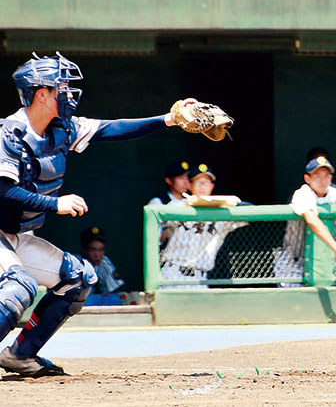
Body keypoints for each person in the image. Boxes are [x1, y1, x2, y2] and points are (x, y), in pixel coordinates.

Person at [0, 52, 196, 377]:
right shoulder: (9, 133)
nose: (68, 92)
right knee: (19, 284)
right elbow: (2, 191)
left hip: (13, 237)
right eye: (60, 87)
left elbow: (112, 129)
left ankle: (20, 355)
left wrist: (169, 119)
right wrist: (55, 203)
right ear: (41, 94)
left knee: (78, 278)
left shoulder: (60, 128)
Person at [274, 156, 336, 285]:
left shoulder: (335, 193)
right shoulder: (303, 193)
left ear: (331, 178)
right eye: (317, 175)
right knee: (294, 303)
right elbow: (311, 219)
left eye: (326, 175)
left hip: (325, 259)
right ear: (308, 179)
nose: (323, 180)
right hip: (294, 260)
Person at [159, 164, 247, 289]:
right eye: (198, 182)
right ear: (189, 185)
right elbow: (163, 213)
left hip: (200, 277)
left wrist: (231, 201)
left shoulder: (222, 212)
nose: (202, 186)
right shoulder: (177, 205)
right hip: (174, 273)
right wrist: (190, 204)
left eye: (206, 182)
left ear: (212, 186)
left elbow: (248, 209)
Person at [80, 226, 124, 293]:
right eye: (92, 249)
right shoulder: (75, 264)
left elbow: (113, 292)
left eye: (101, 250)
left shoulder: (104, 263)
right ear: (84, 249)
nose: (97, 255)